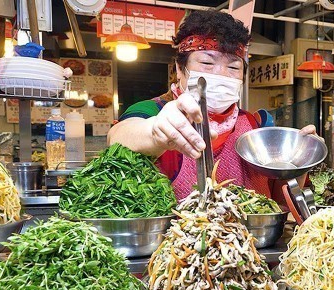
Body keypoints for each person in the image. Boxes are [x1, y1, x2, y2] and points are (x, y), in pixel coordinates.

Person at [108, 10, 316, 200]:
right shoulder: (156, 111)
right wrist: (155, 132)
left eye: (234, 67)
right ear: (180, 70)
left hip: (254, 238)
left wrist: (300, 162)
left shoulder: (255, 126)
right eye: (207, 63)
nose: (222, 75)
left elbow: (281, 199)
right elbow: (120, 136)